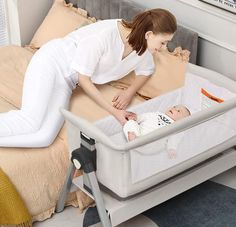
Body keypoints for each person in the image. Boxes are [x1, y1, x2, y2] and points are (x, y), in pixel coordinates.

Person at [0, 9, 177, 148]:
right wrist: (115, 112)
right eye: (163, 42)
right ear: (148, 35)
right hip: (51, 62)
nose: (163, 48)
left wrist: (129, 92)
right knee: (30, 121)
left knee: (45, 137)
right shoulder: (105, 36)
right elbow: (84, 79)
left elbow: (146, 71)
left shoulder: (144, 49)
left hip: (67, 82)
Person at [123, 105, 191, 158]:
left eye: (178, 111)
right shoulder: (157, 114)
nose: (174, 109)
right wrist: (137, 118)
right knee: (130, 123)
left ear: (181, 120)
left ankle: (134, 139)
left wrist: (172, 148)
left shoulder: (175, 126)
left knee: (160, 143)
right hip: (139, 135)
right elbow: (146, 116)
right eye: (174, 107)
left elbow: (174, 138)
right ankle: (133, 138)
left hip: (150, 145)